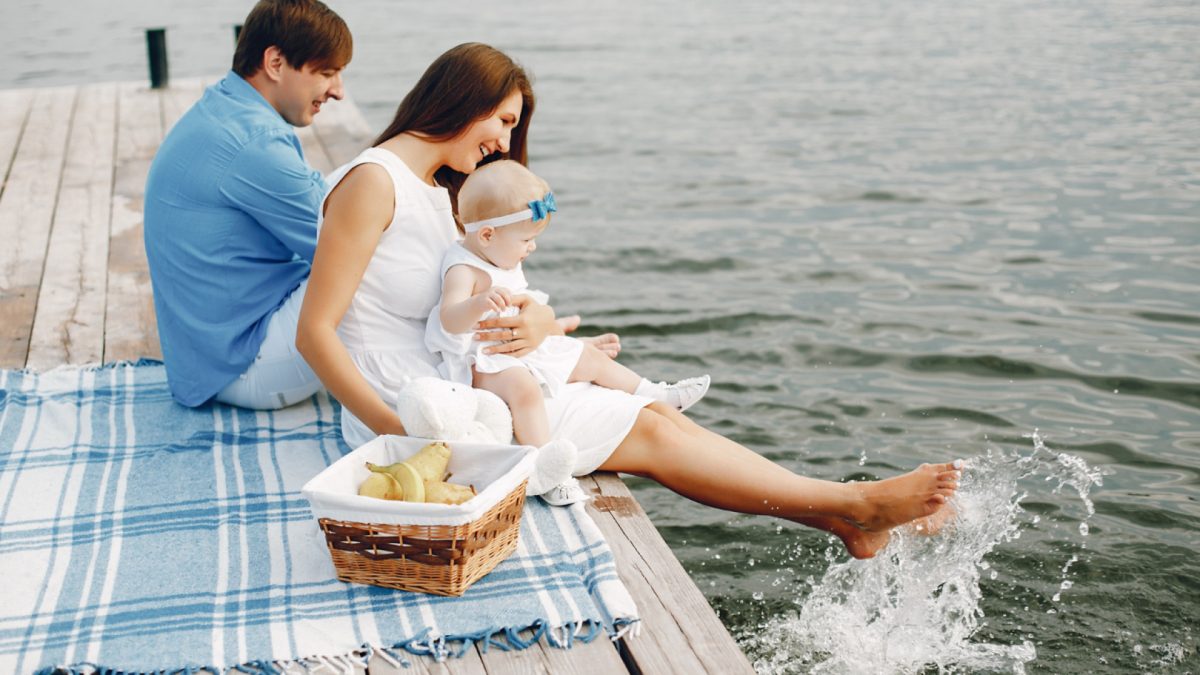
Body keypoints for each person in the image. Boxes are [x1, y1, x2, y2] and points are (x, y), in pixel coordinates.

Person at [295, 42, 960, 559]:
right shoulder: (373, 182)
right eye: (501, 120)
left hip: (456, 378)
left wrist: (537, 322)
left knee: (653, 414)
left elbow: (465, 286)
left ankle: (844, 512)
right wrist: (395, 434)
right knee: (649, 428)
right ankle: (851, 506)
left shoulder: (438, 187)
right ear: (460, 97)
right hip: (417, 406)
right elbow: (316, 332)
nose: (503, 141)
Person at [425, 159, 711, 505]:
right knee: (525, 389)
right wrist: (479, 302)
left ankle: (656, 393)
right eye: (527, 239)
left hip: (514, 345)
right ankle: (544, 466)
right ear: (487, 235)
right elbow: (449, 320)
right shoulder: (463, 268)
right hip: (483, 359)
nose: (532, 247)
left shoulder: (499, 253)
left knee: (586, 357)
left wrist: (555, 332)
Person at [143, 0, 350, 409]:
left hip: (206, 359)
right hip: (245, 365)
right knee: (370, 270)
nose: (339, 90)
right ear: (275, 62)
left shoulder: (226, 108)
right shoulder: (254, 143)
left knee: (347, 198)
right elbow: (349, 249)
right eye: (326, 73)